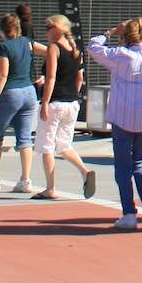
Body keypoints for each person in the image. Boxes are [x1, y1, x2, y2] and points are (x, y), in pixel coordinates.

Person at [88, 18, 142, 229]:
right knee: (140, 163)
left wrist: (111, 32)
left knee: (123, 167)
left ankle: (129, 213)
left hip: (123, 115)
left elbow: (93, 47)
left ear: (125, 36)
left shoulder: (120, 56)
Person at [0, 13, 39, 194]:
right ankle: (25, 180)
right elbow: (48, 50)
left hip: (11, 92)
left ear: (2, 29)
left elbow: (2, 74)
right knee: (25, 138)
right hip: (29, 92)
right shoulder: (27, 42)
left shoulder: (4, 47)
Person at [34, 14, 96, 200]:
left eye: (48, 27)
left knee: (46, 146)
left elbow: (51, 77)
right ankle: (85, 171)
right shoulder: (75, 51)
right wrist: (73, 94)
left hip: (56, 102)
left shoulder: (54, 48)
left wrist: (45, 102)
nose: (45, 31)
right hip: (71, 103)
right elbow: (79, 78)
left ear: (58, 29)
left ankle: (50, 188)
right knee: (64, 145)